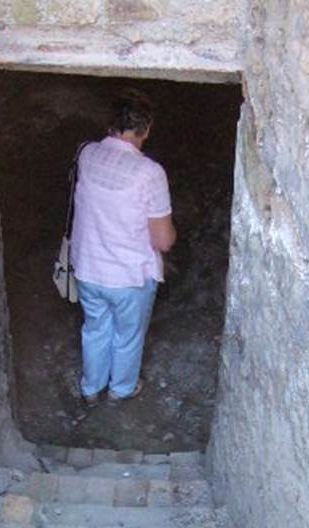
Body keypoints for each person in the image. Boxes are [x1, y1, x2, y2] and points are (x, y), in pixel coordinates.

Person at [70, 89, 176, 406]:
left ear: (110, 124)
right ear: (147, 129)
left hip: (89, 268)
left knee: (95, 328)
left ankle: (91, 389)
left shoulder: (86, 154)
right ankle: (120, 390)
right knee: (127, 336)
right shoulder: (149, 173)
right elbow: (163, 240)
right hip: (129, 276)